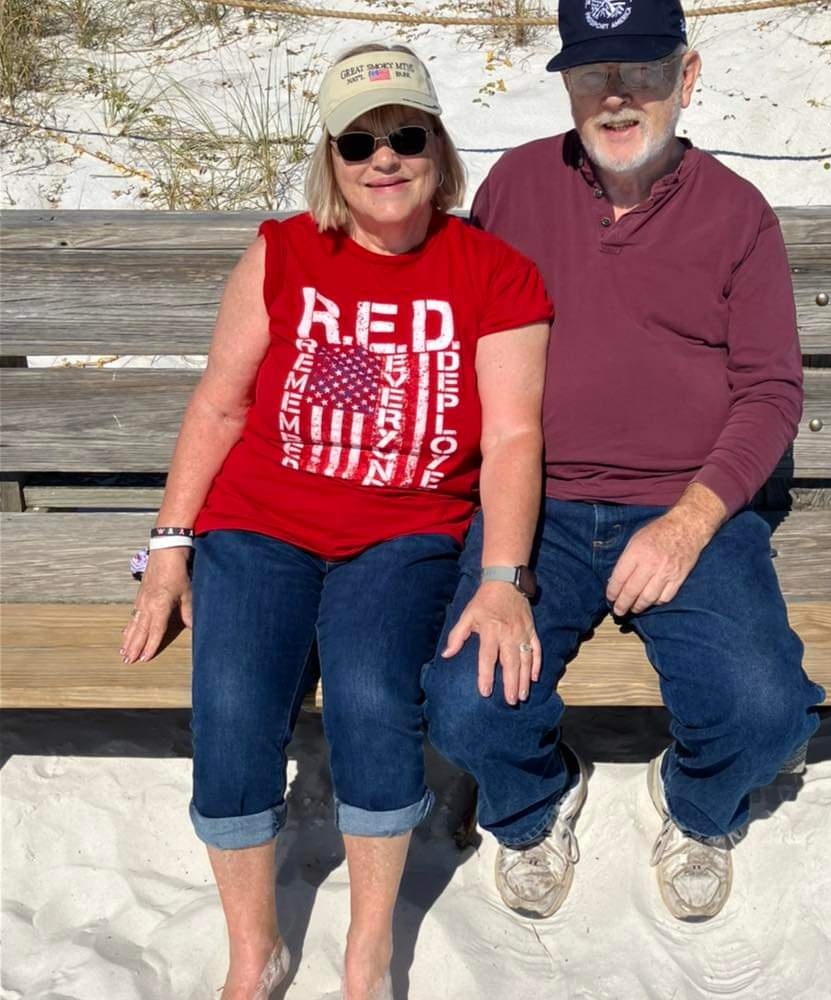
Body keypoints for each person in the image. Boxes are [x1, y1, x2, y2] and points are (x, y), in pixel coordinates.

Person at [119, 43, 551, 1000]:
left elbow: (515, 434)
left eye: (404, 136)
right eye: (358, 143)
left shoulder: (495, 273)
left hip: (403, 534)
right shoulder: (283, 250)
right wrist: (169, 545)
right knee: (231, 709)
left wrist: (503, 575)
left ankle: (365, 954)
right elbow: (220, 407)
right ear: (330, 157)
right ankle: (256, 952)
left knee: (369, 697)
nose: (382, 159)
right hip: (259, 524)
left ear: (438, 150)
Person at [423, 0, 826, 922]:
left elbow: (771, 393)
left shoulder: (738, 216)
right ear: (567, 84)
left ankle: (694, 804)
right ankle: (534, 803)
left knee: (766, 714)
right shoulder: (516, 189)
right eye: (593, 74)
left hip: (687, 506)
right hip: (538, 504)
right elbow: (464, 343)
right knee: (463, 702)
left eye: (642, 72)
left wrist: (690, 522)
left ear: (687, 79)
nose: (616, 99)